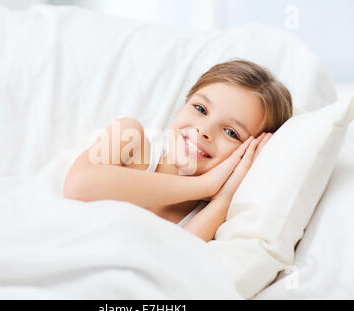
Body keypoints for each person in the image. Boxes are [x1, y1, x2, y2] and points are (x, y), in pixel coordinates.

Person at [63, 59, 293, 242]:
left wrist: (222, 199)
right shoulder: (130, 140)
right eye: (200, 108)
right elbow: (79, 186)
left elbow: (172, 269)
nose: (204, 130)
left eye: (231, 132)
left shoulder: (212, 214)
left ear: (249, 155)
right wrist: (204, 185)